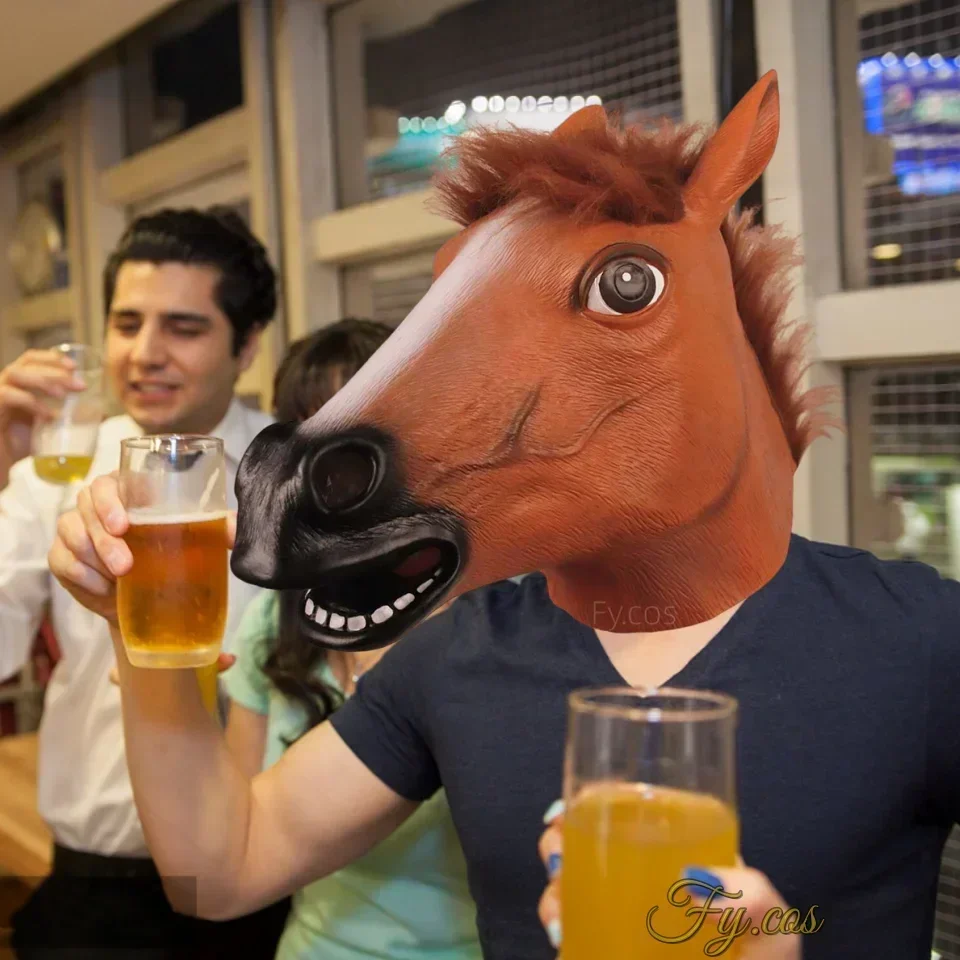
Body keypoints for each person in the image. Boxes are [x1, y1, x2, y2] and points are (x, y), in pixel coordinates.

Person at [50, 75, 959, 960]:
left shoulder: (921, 644)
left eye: (624, 290)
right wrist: (146, 628)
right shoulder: (455, 654)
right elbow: (221, 868)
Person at [0, 207, 291, 957]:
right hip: (98, 888)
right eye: (127, 324)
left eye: (184, 328)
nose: (145, 354)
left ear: (248, 344)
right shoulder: (58, 464)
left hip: (269, 875)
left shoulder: (294, 474)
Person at [221, 317, 482, 960]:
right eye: (308, 445)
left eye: (362, 442)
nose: (329, 479)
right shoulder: (270, 622)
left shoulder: (493, 619)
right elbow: (227, 840)